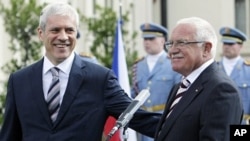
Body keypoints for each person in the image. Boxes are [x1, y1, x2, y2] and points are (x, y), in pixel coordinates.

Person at [0, 2, 162, 141]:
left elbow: (140, 119)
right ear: (41, 34)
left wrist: (185, 123)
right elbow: (9, 135)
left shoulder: (100, 79)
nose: (63, 37)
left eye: (69, 30)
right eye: (55, 30)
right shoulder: (19, 80)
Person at [155, 17, 243, 141]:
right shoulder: (181, 86)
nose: (172, 51)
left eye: (181, 43)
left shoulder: (221, 90)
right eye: (170, 44)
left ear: (206, 49)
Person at [131, 23, 181, 141]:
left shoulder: (172, 62)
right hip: (142, 122)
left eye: (151, 39)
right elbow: (134, 92)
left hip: (164, 119)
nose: (147, 42)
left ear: (162, 40)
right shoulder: (138, 65)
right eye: (145, 39)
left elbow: (179, 93)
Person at [218, 27, 250, 124]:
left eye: (231, 44)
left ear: (241, 46)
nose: (226, 46)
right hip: (217, 125)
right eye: (224, 43)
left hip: (242, 124)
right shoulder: (214, 69)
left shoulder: (248, 70)